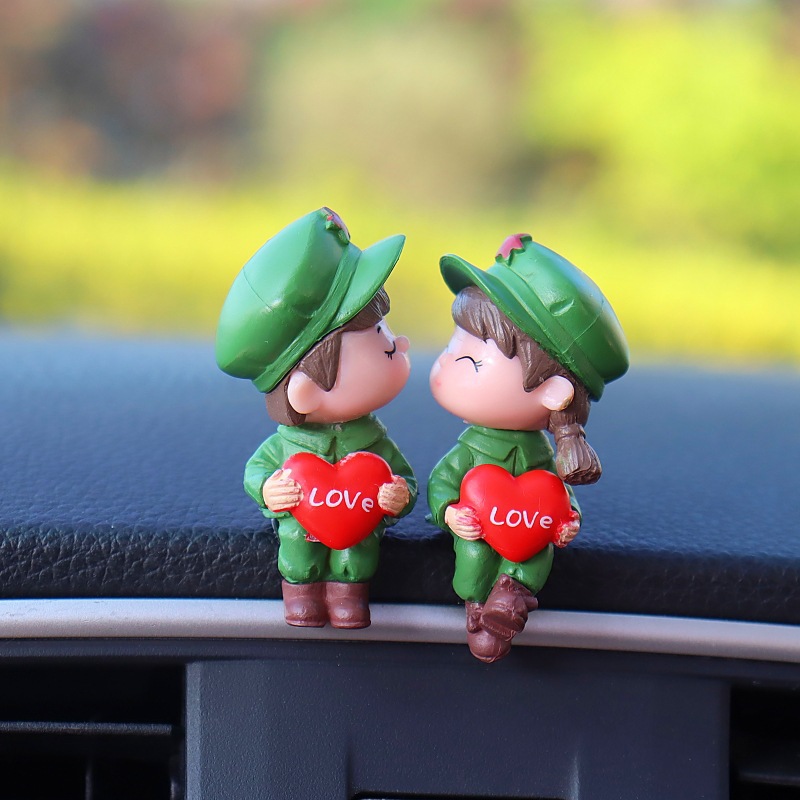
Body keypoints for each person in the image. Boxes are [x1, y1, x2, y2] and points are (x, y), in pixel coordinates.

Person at [428, 233, 628, 662]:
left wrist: (568, 521)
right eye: (450, 347)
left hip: (525, 539)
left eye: (469, 360)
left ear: (552, 393)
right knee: (474, 553)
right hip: (478, 534)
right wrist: (449, 512)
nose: (443, 362)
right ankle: (480, 606)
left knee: (535, 552)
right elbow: (443, 480)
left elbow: (557, 497)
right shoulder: (471, 450)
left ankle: (511, 596)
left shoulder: (543, 459)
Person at [216, 208, 417, 629]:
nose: (399, 342)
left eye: (384, 330)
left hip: (358, 550)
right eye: (380, 340)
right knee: (299, 556)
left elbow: (404, 477)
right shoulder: (288, 445)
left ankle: (348, 599)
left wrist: (399, 496)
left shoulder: (373, 442)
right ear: (307, 390)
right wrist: (267, 490)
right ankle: (302, 598)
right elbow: (257, 469)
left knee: (354, 560)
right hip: (298, 545)